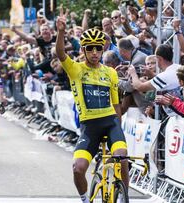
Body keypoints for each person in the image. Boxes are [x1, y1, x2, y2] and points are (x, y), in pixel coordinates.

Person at [55, 9, 128, 203]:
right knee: (78, 168)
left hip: (111, 123)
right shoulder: (76, 70)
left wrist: (118, 127)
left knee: (122, 158)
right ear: (83, 50)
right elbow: (60, 53)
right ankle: (85, 198)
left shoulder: (111, 72)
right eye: (90, 48)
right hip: (90, 127)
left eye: (98, 48)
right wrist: (61, 32)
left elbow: (116, 104)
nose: (94, 53)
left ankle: (124, 197)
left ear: (102, 49)